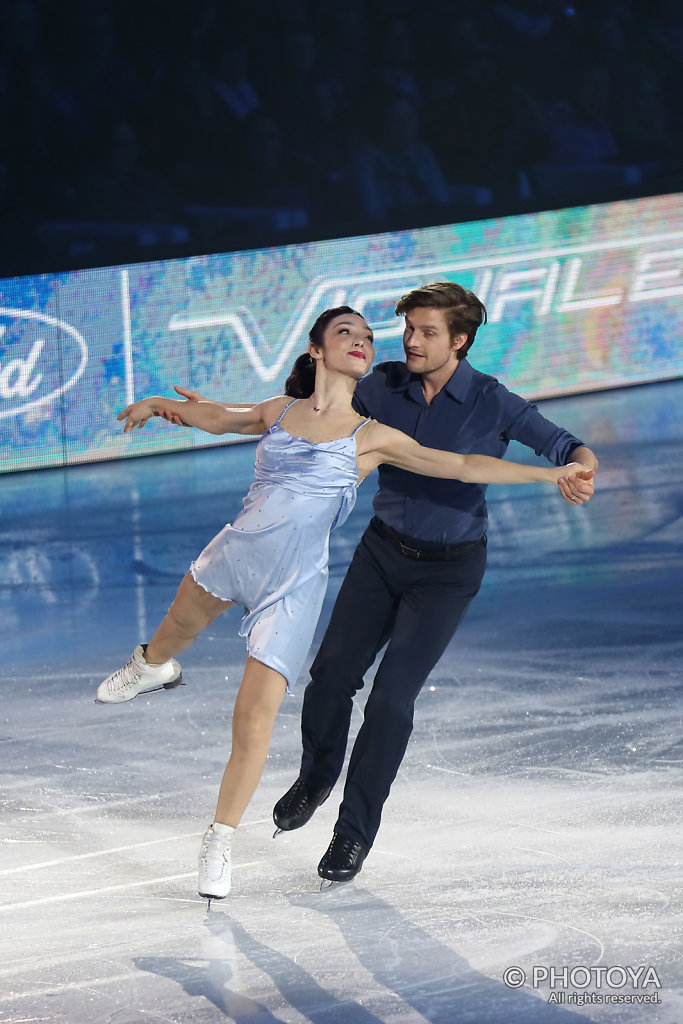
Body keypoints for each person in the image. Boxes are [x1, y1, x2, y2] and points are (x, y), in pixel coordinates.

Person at [96, 304, 591, 903]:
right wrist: (166, 407)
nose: (382, 341)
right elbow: (230, 415)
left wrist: (558, 473)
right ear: (317, 349)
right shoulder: (342, 393)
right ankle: (172, 679)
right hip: (290, 554)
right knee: (276, 664)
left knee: (326, 711)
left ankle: (280, 837)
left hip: (375, 578)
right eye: (351, 333)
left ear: (458, 341)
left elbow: (463, 466)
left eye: (405, 333)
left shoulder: (398, 426)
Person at [272, 283, 598, 884]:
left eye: (426, 332)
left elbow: (564, 444)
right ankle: (316, 778)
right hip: (380, 555)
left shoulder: (491, 400)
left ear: (460, 340)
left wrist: (580, 470)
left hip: (446, 573)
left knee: (392, 701)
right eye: (409, 330)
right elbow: (309, 405)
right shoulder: (383, 384)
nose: (412, 341)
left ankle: (352, 835)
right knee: (330, 679)